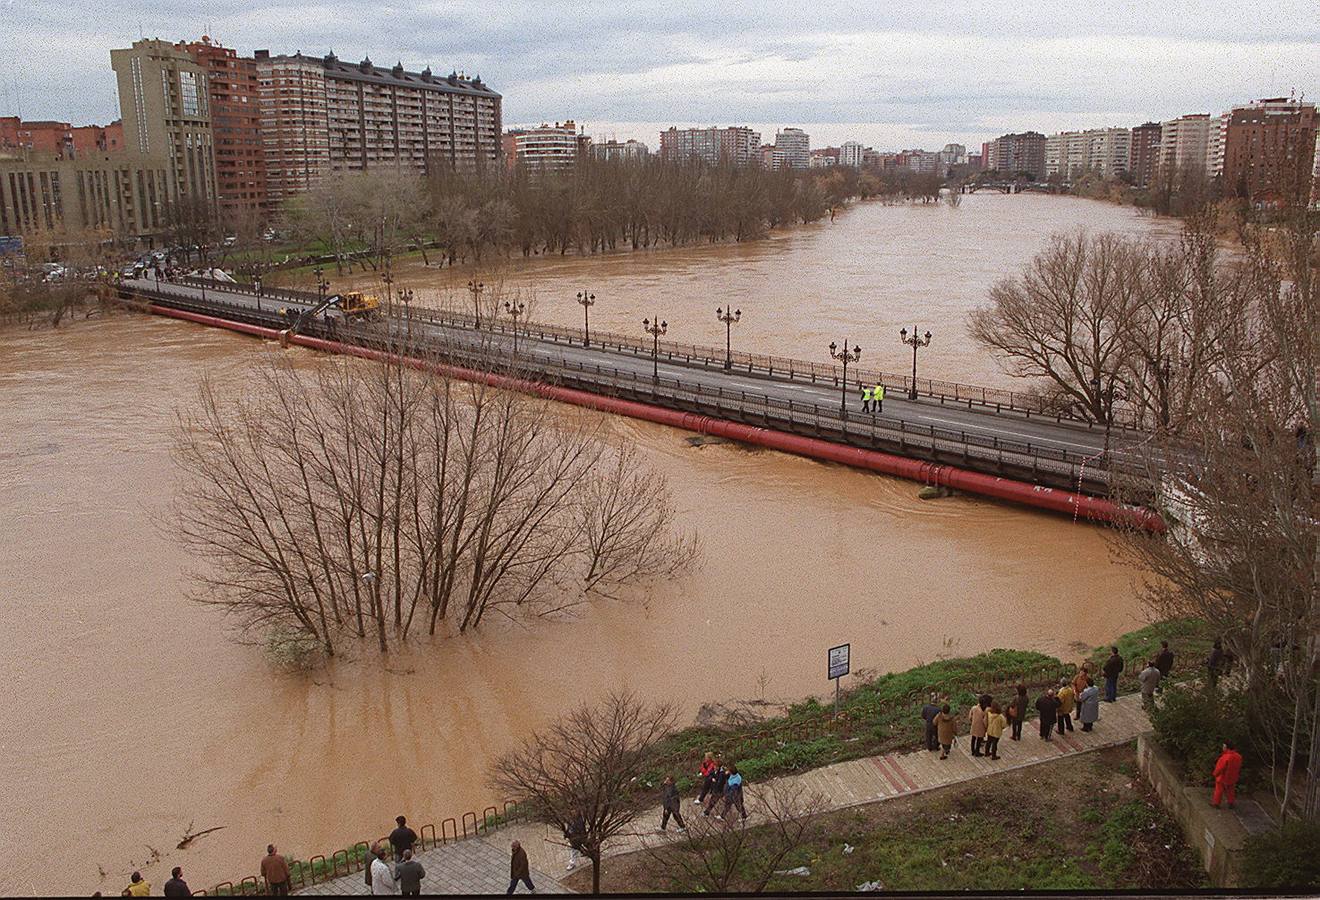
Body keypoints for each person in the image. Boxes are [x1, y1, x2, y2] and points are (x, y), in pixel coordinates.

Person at [1211, 741, 1243, 809]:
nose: (1222, 748)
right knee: (1231, 790)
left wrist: (1215, 774)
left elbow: (1219, 768)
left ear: (1226, 747)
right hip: (1233, 777)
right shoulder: (1238, 756)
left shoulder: (1225, 757)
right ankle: (1231, 803)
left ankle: (1216, 803)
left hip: (1223, 777)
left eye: (1223, 746)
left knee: (1219, 790)